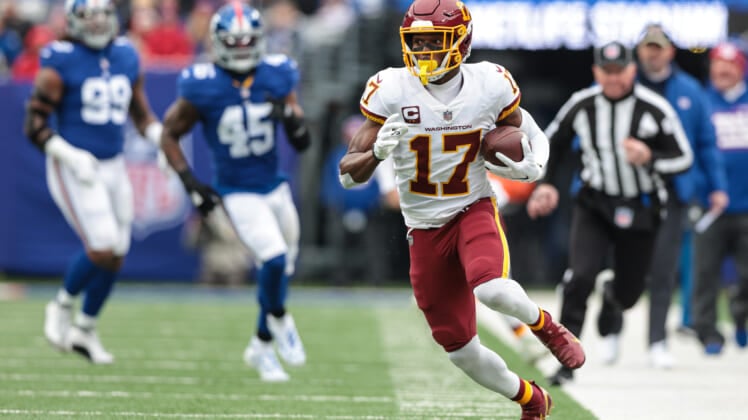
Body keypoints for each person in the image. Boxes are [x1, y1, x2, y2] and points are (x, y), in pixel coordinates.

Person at [339, 0, 585, 417]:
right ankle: (531, 399)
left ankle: (545, 326)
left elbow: (530, 131)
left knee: (491, 288)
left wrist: (534, 168)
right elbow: (348, 175)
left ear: (460, 42)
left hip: (472, 206)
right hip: (422, 227)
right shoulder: (391, 88)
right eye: (417, 42)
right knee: (460, 350)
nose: (424, 50)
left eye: (434, 40)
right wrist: (377, 154)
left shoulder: (488, 84)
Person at [160, 2, 311, 382]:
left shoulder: (277, 74)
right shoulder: (202, 83)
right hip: (238, 191)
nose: (242, 49)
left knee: (280, 272)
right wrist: (191, 183)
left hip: (275, 186)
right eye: (234, 42)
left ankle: (260, 346)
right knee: (273, 260)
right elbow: (169, 134)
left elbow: (303, 141)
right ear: (218, 42)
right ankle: (280, 319)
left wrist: (289, 118)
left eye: (248, 41)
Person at [527, 41, 692, 384]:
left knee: (630, 294)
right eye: (607, 71)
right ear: (596, 72)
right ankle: (566, 360)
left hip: (642, 205)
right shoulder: (582, 104)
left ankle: (613, 297)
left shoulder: (654, 107)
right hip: (595, 204)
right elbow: (550, 143)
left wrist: (650, 157)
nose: (614, 78)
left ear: (632, 71)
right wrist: (545, 184)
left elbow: (683, 157)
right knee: (579, 276)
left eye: (620, 71)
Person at [24, 0, 165, 364]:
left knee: (117, 253)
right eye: (89, 16)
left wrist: (162, 141)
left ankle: (85, 329)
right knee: (102, 245)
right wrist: (70, 155)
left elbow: (141, 115)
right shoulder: (60, 59)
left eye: (103, 15)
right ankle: (61, 305)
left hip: (113, 163)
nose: (98, 23)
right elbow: (34, 125)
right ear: (73, 21)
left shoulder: (126, 54)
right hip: (74, 164)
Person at [634, 24, 729, 368]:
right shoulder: (624, 86)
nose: (653, 54)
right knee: (625, 267)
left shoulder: (690, 90)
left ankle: (657, 339)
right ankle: (612, 324)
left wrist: (717, 186)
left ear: (670, 51)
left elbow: (706, 142)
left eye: (658, 47)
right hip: (628, 191)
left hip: (674, 191)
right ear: (640, 51)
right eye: (648, 47)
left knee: (666, 267)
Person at [693, 42, 748, 355]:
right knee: (705, 272)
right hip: (710, 205)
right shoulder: (702, 102)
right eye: (718, 65)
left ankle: (741, 316)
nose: (723, 71)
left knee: (746, 275)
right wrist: (703, 189)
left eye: (729, 65)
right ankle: (708, 333)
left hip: (746, 205)